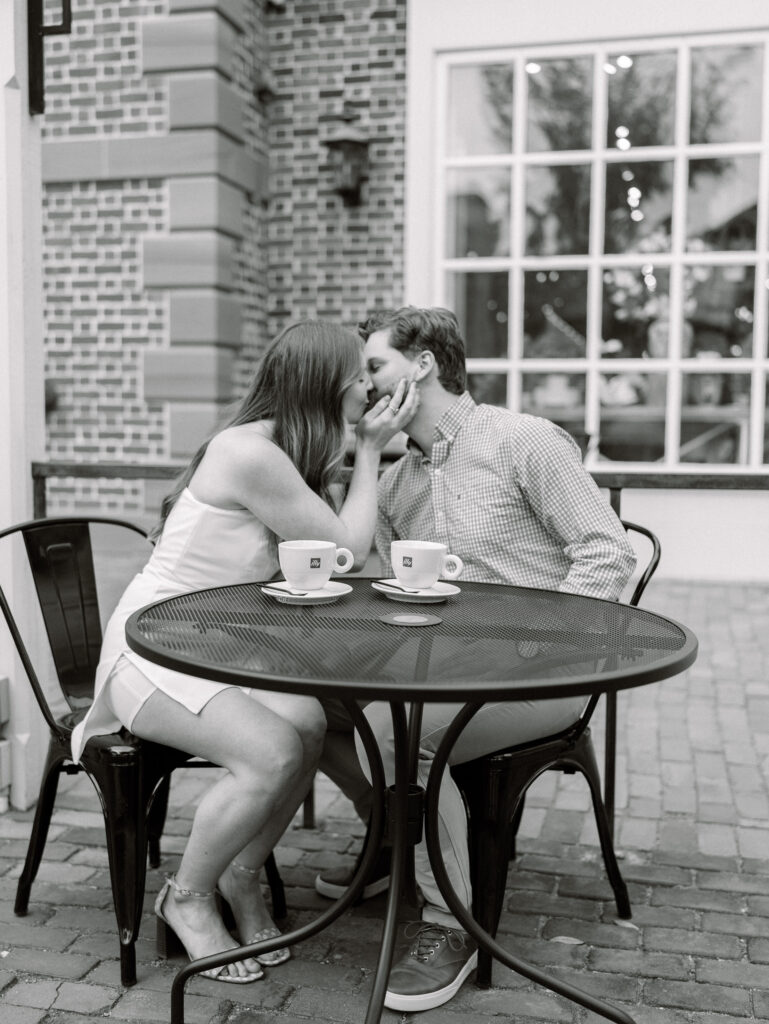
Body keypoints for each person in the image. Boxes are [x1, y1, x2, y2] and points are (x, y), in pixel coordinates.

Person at [71, 320, 418, 984]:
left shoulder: (286, 448)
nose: (369, 387)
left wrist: (348, 463)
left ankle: (242, 873)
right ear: (327, 384)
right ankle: (189, 897)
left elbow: (339, 559)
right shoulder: (251, 453)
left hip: (217, 643)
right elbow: (343, 554)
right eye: (360, 375)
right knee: (272, 750)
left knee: (310, 722)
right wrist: (370, 454)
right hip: (153, 646)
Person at [315, 305, 636, 1012]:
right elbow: (383, 592)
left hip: (546, 672)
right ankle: (391, 851)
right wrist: (359, 465)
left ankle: (447, 923)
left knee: (405, 742)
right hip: (448, 670)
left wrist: (532, 653)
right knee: (324, 706)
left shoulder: (523, 440)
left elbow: (608, 552)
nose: (359, 384)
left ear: (423, 364)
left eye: (373, 367)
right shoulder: (399, 483)